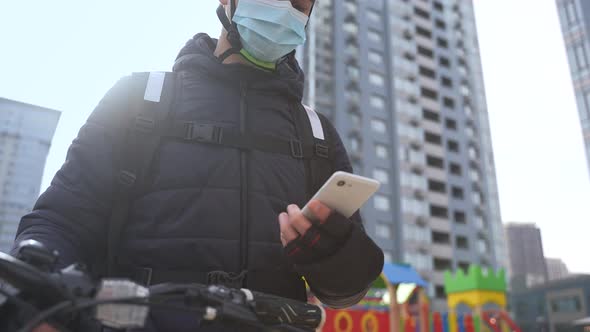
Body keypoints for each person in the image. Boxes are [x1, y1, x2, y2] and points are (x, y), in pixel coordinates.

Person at [12, 0, 384, 330]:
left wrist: (334, 256)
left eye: (300, 6)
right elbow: (59, 221)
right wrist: (41, 300)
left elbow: (346, 292)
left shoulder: (316, 133)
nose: (285, 10)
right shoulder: (140, 98)